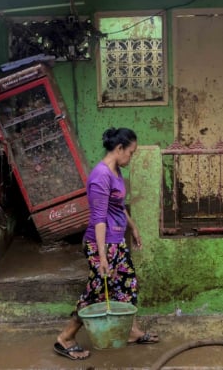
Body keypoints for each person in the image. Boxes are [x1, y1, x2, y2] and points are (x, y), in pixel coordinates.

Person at [53, 127, 159, 360]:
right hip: (101, 245)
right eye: (131, 152)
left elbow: (118, 205)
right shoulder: (100, 176)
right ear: (119, 148)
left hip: (116, 242)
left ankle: (129, 331)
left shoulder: (116, 171)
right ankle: (66, 338)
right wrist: (102, 257)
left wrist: (133, 227)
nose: (131, 157)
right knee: (97, 292)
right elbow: (99, 219)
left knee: (127, 285)